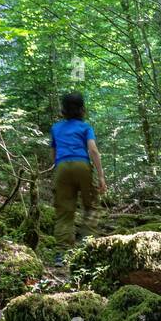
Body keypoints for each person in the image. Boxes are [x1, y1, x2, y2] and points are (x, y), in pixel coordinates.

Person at [50, 92, 107, 264]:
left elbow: (53, 153)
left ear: (63, 110)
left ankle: (62, 254)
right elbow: (93, 150)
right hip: (82, 166)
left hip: (61, 167)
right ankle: (87, 248)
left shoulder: (56, 128)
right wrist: (101, 176)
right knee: (91, 207)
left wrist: (59, 171)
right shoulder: (85, 128)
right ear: (82, 109)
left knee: (64, 212)